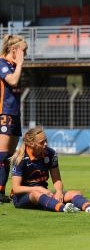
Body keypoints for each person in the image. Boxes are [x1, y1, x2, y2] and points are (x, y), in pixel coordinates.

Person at [10, 127, 90, 213]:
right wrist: (39, 189)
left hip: (45, 194)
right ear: (32, 144)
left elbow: (57, 179)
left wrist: (59, 191)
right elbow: (16, 188)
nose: (45, 144)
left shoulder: (50, 154)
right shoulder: (20, 158)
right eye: (42, 142)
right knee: (36, 194)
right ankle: (63, 208)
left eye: (46, 140)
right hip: (23, 198)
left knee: (76, 193)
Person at [0, 34, 27, 204]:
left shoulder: (13, 65)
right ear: (13, 49)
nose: (25, 54)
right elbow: (13, 81)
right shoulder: (2, 64)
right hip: (5, 113)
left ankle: (3, 190)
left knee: (10, 156)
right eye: (23, 50)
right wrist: (21, 64)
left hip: (15, 114)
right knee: (2, 155)